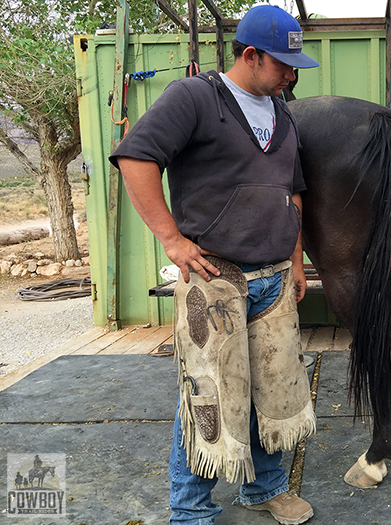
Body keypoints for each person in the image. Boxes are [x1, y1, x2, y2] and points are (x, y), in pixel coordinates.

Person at [109, 5, 319, 524]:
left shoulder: (283, 113)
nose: (292, 74)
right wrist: (172, 240)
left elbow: (292, 193)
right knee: (207, 397)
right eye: (284, 64)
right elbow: (136, 158)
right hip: (215, 279)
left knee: (276, 393)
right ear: (251, 55)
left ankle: (264, 489)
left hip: (273, 278)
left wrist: (295, 261)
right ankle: (191, 509)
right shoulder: (195, 98)